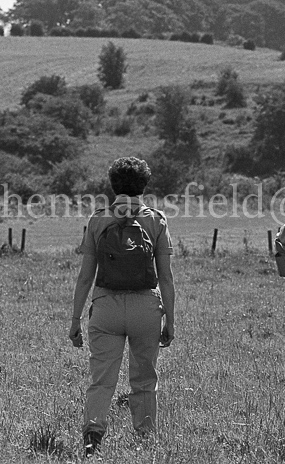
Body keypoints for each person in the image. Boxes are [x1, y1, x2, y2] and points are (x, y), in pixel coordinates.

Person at [68, 157, 176, 456]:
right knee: (144, 378)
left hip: (105, 307)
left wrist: (76, 319)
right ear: (144, 186)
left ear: (113, 185)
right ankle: (144, 439)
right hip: (145, 307)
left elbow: (86, 275)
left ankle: (92, 434)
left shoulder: (98, 219)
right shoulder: (156, 219)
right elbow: (165, 277)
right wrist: (170, 320)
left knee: (102, 378)